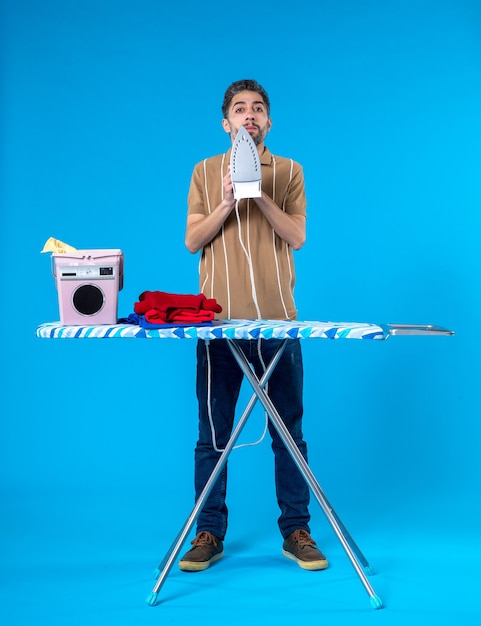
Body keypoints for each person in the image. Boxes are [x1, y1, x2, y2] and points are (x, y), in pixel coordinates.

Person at [179, 79, 328, 573]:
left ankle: (297, 530)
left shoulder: (289, 172)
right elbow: (192, 240)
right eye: (239, 109)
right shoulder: (204, 171)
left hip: (277, 325)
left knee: (289, 433)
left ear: (268, 121)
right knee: (213, 435)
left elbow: (298, 236)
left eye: (258, 109)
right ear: (226, 122)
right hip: (218, 326)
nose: (249, 115)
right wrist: (226, 199)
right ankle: (208, 531)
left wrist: (260, 196)